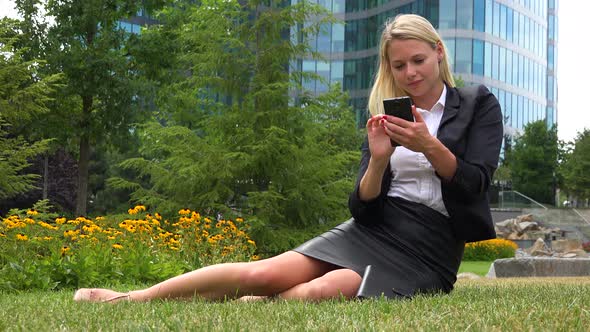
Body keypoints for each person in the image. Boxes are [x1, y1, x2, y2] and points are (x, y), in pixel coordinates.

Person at [73, 14, 503, 303]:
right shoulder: (386, 115)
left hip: (430, 249)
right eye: (399, 65)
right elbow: (362, 207)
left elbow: (474, 182)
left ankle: (259, 308)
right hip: (378, 228)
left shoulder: (476, 104)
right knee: (265, 273)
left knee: (327, 288)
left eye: (418, 61)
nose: (410, 73)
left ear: (439, 53)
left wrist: (427, 143)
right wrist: (377, 161)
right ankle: (131, 299)